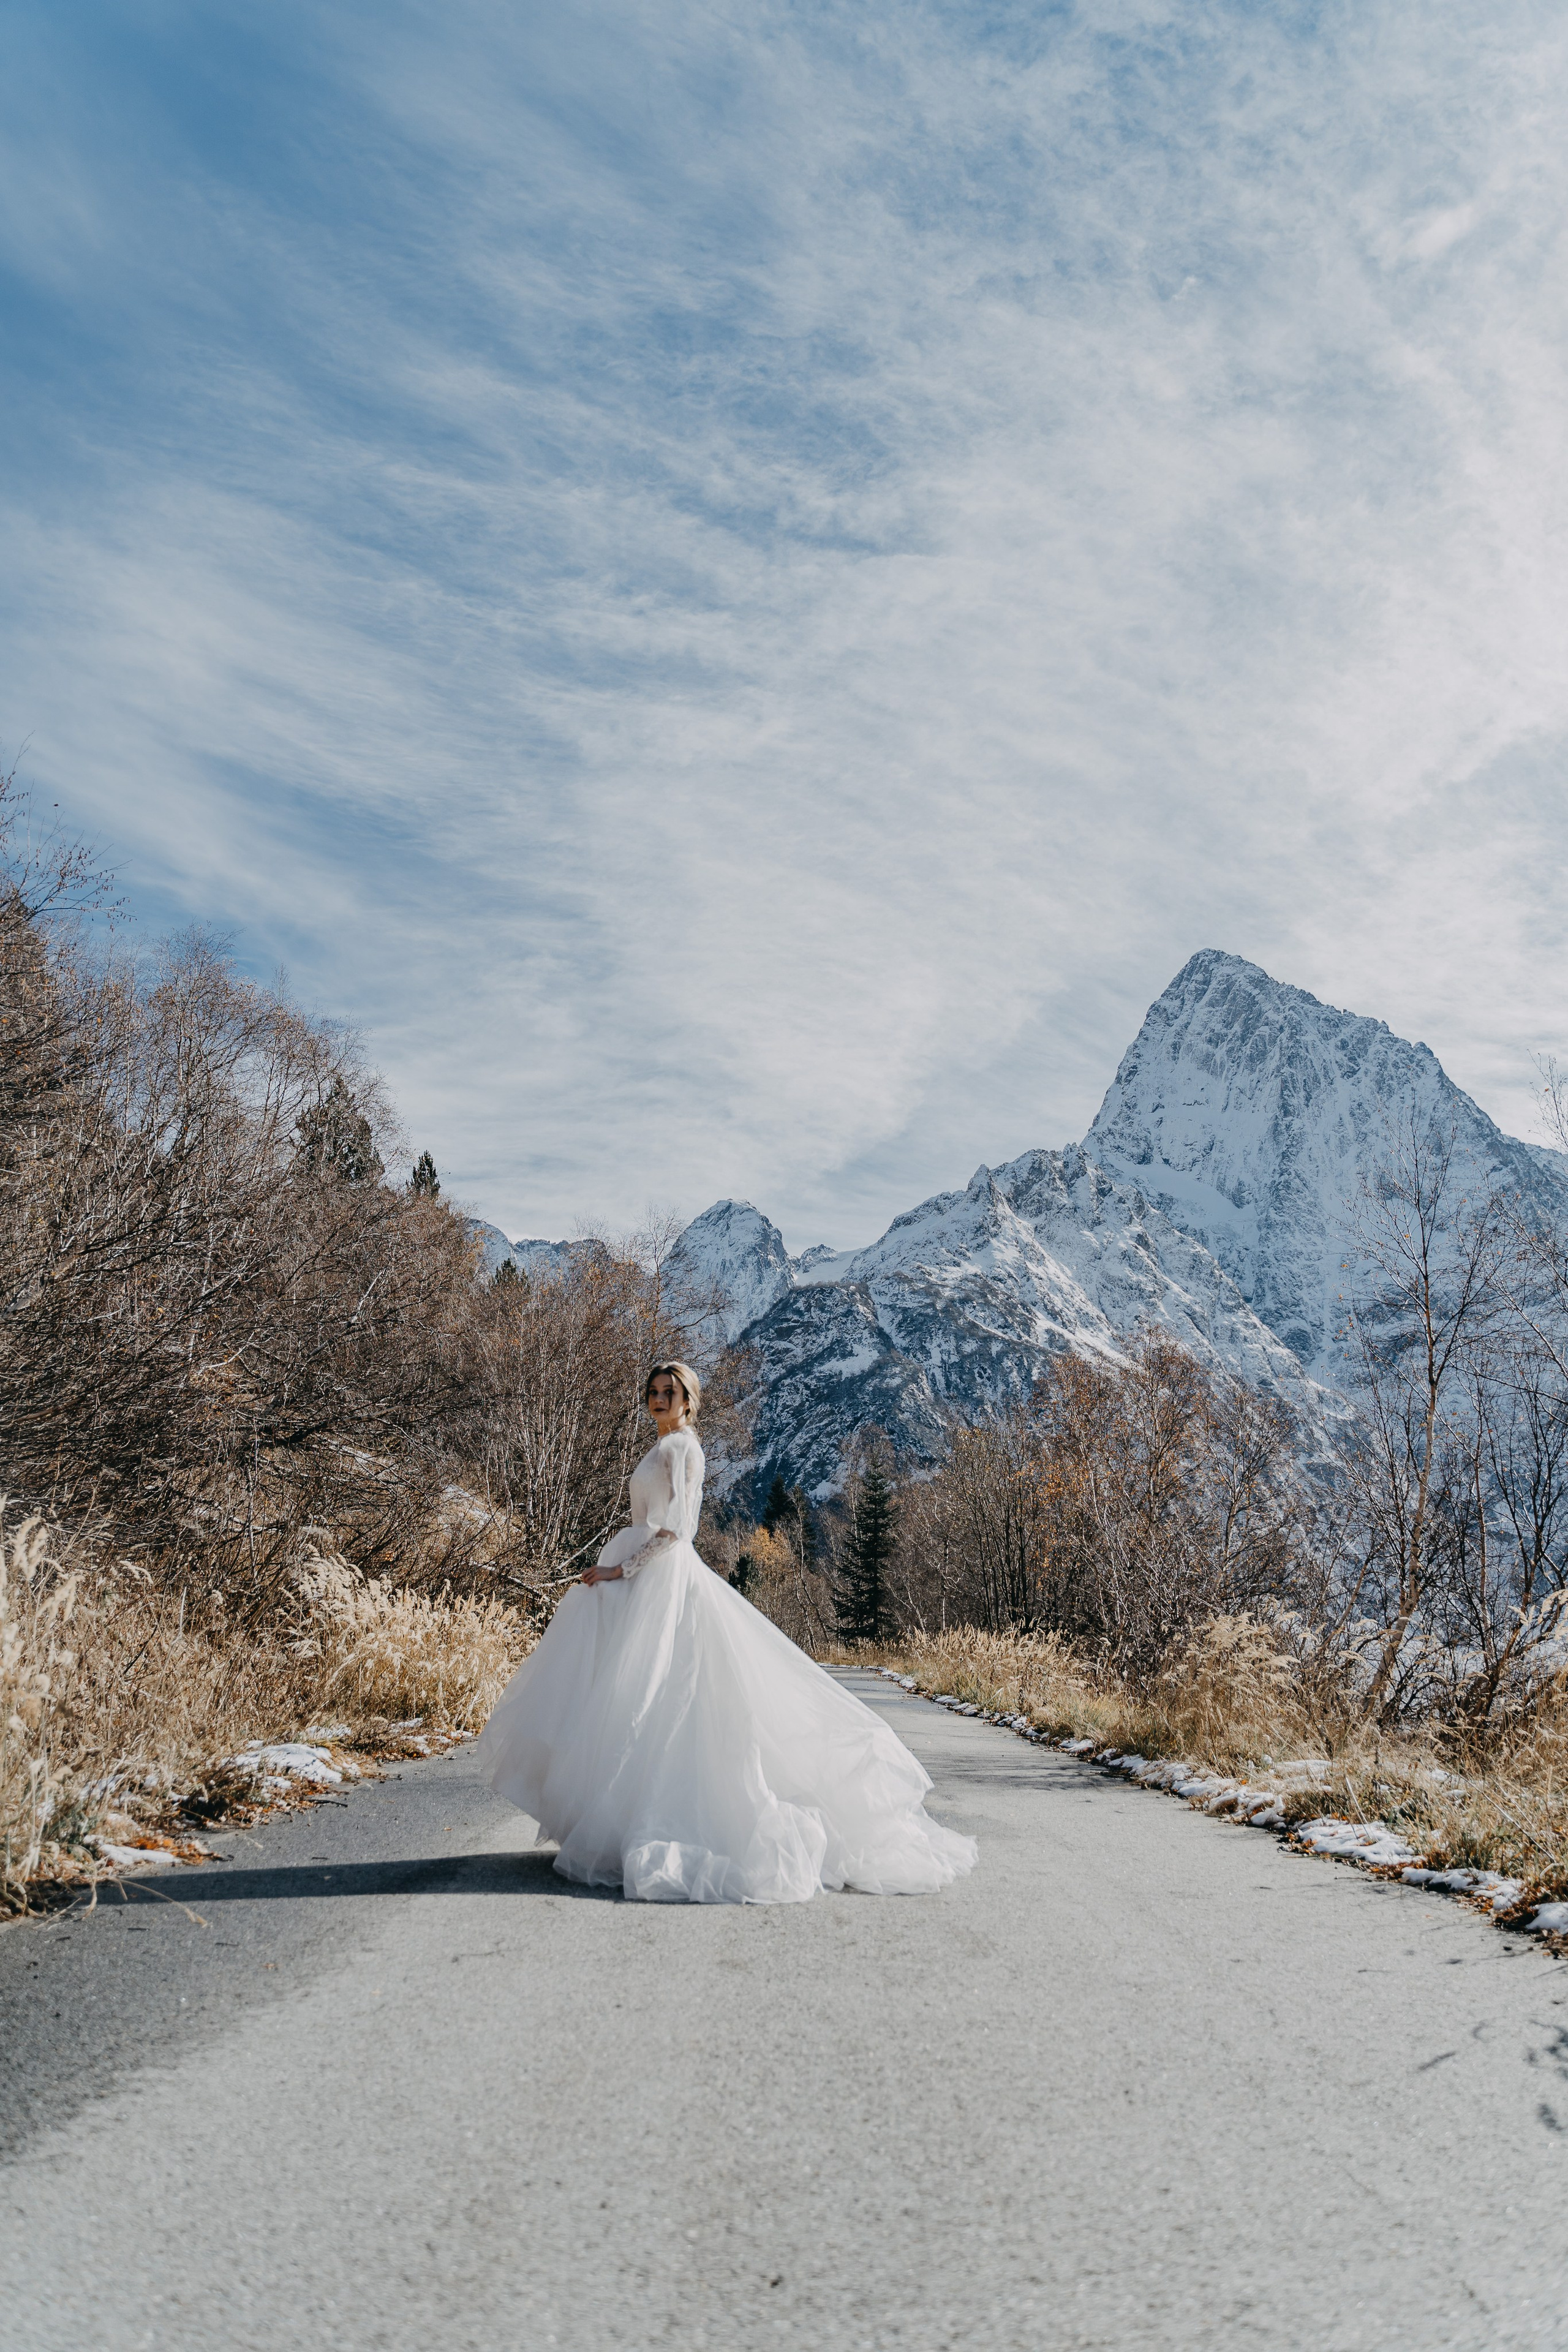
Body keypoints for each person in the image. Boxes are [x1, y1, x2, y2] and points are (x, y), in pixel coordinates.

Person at [477, 1360, 978, 1904]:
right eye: (653, 1392)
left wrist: (623, 1570)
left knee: (658, 1693)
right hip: (641, 1577)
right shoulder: (663, 1445)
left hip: (659, 1579)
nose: (660, 1399)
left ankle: (653, 1816)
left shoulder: (682, 1448)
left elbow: (680, 1530)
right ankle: (617, 1818)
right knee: (629, 1695)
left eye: (670, 1392)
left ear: (689, 1402)